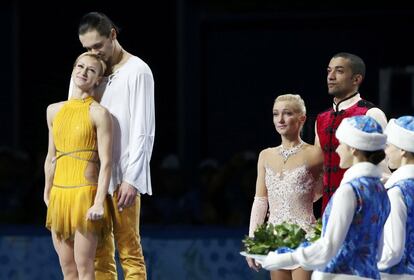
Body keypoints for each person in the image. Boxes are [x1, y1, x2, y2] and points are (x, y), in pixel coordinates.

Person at [73, 12, 155, 279]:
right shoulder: (89, 72)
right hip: (91, 176)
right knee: (100, 253)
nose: (93, 53)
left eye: (97, 46)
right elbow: (74, 119)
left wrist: (133, 178)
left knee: (129, 250)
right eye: (87, 49)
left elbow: (144, 130)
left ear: (113, 35)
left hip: (122, 176)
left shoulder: (137, 71)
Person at [262, 115, 391, 280]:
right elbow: (378, 251)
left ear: (353, 149)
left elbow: (327, 248)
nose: (337, 150)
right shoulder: (380, 189)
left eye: (341, 144)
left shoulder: (349, 191)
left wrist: (285, 258)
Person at [44, 52, 113, 280]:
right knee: (68, 270)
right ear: (73, 69)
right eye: (80, 67)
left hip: (84, 195)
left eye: (90, 70)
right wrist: (47, 191)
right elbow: (51, 156)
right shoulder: (53, 110)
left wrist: (98, 202)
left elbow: (106, 162)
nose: (83, 72)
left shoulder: (99, 113)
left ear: (98, 80)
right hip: (59, 196)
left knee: (85, 268)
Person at [246, 94, 324, 280]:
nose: (280, 119)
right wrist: (252, 242)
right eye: (275, 114)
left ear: (301, 119)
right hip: (275, 237)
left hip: (305, 238)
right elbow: (260, 200)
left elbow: (322, 192)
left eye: (287, 113)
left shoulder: (314, 153)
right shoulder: (265, 155)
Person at [315, 52, 388, 213]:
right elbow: (320, 171)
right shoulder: (321, 119)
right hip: (328, 210)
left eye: (339, 71)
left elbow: (384, 167)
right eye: (329, 71)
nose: (331, 77)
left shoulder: (370, 113)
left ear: (356, 79)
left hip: (363, 209)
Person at [378, 116, 414, 279]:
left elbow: (392, 251)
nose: (385, 152)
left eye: (388, 145)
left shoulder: (396, 191)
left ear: (402, 149)